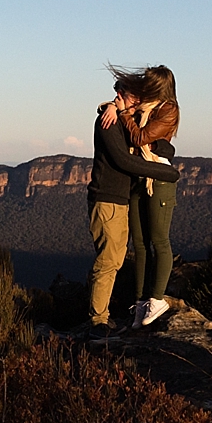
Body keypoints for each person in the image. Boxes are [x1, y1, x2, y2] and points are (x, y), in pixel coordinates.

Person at [85, 66, 181, 333]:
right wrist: (167, 172)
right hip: (108, 198)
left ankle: (111, 312)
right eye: (130, 95)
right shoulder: (109, 121)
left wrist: (120, 110)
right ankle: (98, 321)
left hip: (121, 199)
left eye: (137, 96)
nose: (134, 100)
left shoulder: (131, 115)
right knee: (109, 260)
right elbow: (124, 160)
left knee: (118, 256)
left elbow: (157, 143)